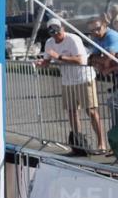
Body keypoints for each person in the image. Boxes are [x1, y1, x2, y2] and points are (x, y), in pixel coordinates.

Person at [39, 18, 106, 154]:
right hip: (67, 81)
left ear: (63, 28)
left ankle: (102, 144)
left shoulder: (73, 39)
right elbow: (46, 60)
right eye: (53, 32)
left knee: (91, 111)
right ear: (50, 32)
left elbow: (81, 60)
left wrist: (59, 57)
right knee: (72, 112)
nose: (57, 34)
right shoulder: (49, 43)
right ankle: (78, 144)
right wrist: (41, 63)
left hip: (83, 78)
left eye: (58, 30)